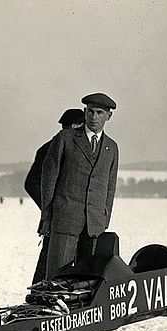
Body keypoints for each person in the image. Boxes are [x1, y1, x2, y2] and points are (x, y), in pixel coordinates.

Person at [39, 93, 119, 280]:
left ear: (108, 116)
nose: (94, 117)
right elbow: (49, 180)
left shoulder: (112, 147)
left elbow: (110, 187)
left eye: (99, 112)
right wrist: (47, 217)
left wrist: (104, 218)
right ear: (84, 112)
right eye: (90, 111)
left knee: (88, 281)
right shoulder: (65, 139)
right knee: (57, 279)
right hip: (65, 220)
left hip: (94, 226)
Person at [25, 108, 86, 283]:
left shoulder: (81, 148)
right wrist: (53, 207)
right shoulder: (48, 149)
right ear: (74, 126)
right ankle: (37, 296)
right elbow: (31, 183)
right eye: (82, 125)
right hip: (57, 219)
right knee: (49, 266)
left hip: (80, 218)